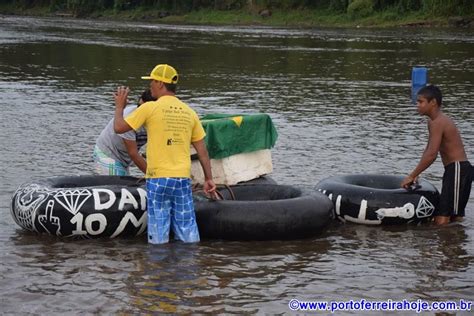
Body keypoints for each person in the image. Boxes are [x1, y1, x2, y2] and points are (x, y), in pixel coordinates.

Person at [113, 64, 216, 244]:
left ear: (160, 83)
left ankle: (159, 269)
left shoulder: (150, 108)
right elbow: (203, 152)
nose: (150, 85)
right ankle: (189, 268)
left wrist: (120, 107)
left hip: (158, 179)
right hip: (182, 179)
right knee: (187, 229)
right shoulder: (190, 113)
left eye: (152, 81)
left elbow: (118, 128)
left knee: (158, 230)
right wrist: (209, 179)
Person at [401, 85, 472, 225]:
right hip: (454, 170)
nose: (417, 105)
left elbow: (432, 155)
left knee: (444, 218)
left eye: (420, 102)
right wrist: (416, 173)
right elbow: (428, 150)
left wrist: (412, 175)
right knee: (451, 217)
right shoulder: (433, 122)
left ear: (433, 102)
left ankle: (451, 244)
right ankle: (455, 243)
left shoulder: (438, 122)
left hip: (458, 170)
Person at [93, 89, 156, 175]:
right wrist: (153, 176)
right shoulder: (129, 119)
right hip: (107, 153)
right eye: (139, 106)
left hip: (125, 158)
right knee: (116, 184)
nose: (139, 111)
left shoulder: (161, 119)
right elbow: (133, 154)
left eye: (144, 109)